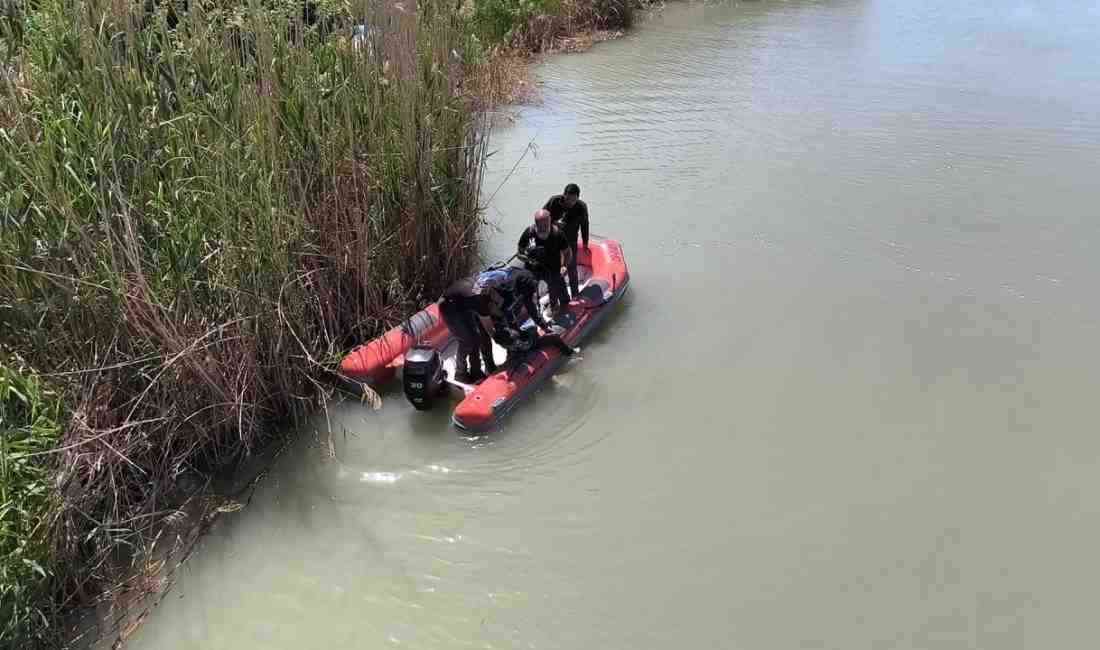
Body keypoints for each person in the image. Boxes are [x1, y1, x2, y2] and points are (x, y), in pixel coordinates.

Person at [475, 267, 576, 367]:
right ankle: (503, 355)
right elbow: (493, 329)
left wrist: (543, 327)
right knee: (506, 328)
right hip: (514, 335)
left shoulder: (508, 290)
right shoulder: (483, 304)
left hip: (520, 334)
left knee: (519, 325)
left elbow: (528, 307)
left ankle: (570, 353)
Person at [438, 276, 497, 383]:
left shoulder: (482, 289)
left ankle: (476, 372)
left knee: (476, 338)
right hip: (448, 307)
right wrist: (498, 338)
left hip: (463, 305)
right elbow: (488, 329)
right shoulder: (480, 300)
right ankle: (460, 374)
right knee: (467, 342)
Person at [516, 209, 571, 312]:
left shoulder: (557, 234)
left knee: (557, 288)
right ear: (536, 224)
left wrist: (564, 266)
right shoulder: (529, 233)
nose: (543, 228)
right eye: (540, 226)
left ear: (549, 222)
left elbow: (567, 252)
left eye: (545, 225)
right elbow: (519, 252)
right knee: (528, 290)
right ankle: (534, 309)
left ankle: (557, 306)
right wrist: (527, 259)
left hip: (552, 267)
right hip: (533, 268)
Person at [543, 183, 589, 299]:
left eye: (574, 200)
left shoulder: (581, 207)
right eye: (568, 199)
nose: (570, 202)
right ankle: (556, 296)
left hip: (570, 241)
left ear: (578, 198)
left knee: (572, 268)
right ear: (564, 195)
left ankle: (575, 294)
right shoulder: (554, 201)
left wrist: (585, 243)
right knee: (554, 268)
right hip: (554, 240)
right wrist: (554, 224)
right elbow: (542, 217)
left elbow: (585, 225)